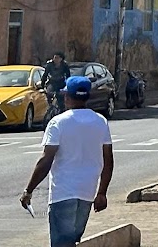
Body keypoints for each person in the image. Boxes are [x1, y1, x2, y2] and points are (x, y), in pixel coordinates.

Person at [22, 75, 113, 247]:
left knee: (62, 243)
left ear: (67, 97)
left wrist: (29, 190)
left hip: (63, 194)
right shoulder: (101, 122)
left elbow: (46, 160)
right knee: (71, 241)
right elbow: (108, 161)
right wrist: (102, 192)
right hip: (87, 194)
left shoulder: (58, 123)